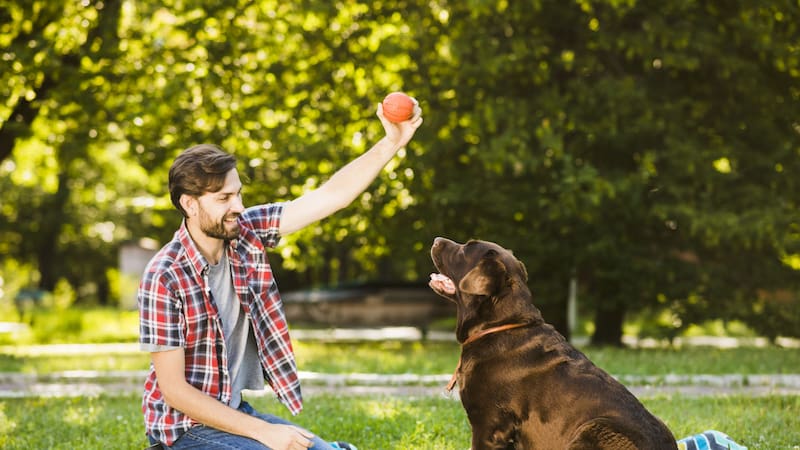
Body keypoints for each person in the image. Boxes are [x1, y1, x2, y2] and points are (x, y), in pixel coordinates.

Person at [138, 99, 423, 449]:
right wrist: (264, 431)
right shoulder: (164, 276)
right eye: (224, 198)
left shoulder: (245, 233)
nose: (238, 207)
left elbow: (331, 196)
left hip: (230, 413)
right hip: (181, 431)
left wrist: (391, 142)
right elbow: (175, 391)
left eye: (238, 194)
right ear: (189, 204)